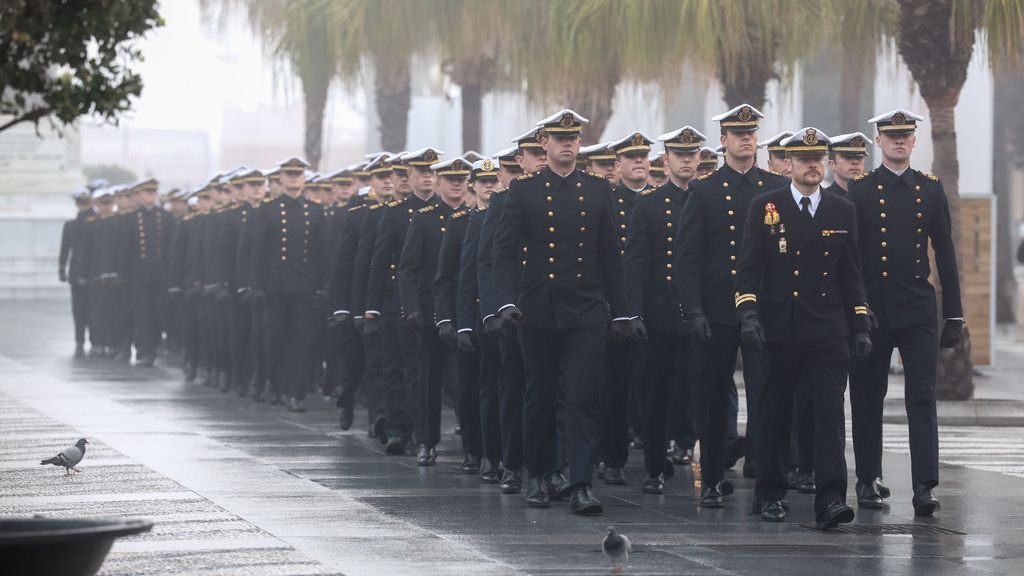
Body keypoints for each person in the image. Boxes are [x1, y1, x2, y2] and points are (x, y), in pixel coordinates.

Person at [493, 109, 630, 515]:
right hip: (537, 308)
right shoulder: (523, 191)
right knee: (540, 393)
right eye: (559, 138)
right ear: (545, 144)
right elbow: (503, 253)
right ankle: (538, 473)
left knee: (581, 395)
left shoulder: (598, 190)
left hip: (587, 308)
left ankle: (581, 483)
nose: (568, 143)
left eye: (573, 138)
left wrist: (620, 312)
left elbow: (611, 257)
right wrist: (505, 302)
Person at [734, 127, 870, 530]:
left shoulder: (841, 210)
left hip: (828, 328)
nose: (812, 165)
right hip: (779, 329)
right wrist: (749, 315)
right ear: (788, 164)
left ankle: (830, 500)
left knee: (829, 413)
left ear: (827, 164)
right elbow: (748, 270)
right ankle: (771, 492)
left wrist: (860, 323)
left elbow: (852, 274)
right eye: (803, 159)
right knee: (776, 413)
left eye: (818, 158)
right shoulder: (765, 206)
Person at [846, 109, 963, 516]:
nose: (898, 141)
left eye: (906, 136)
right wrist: (853, 310)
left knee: (922, 397)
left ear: (914, 141)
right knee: (866, 396)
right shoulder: (859, 190)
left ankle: (924, 486)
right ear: (877, 141)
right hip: (873, 309)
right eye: (891, 135)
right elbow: (849, 259)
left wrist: (955, 315)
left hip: (916, 307)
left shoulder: (930, 190)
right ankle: (867, 478)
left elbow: (946, 255)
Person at [674, 104, 789, 508]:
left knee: (767, 397)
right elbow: (686, 257)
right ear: (722, 140)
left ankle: (769, 486)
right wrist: (694, 311)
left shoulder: (775, 188)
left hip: (764, 311)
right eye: (737, 132)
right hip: (718, 309)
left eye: (751, 132)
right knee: (711, 397)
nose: (746, 138)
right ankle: (711, 480)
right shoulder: (704, 191)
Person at [625, 125, 706, 494]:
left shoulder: (708, 198)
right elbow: (637, 262)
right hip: (660, 312)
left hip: (701, 312)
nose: (686, 161)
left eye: (692, 155)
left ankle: (703, 459)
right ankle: (655, 467)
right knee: (655, 394)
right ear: (667, 160)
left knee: (700, 390)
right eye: (679, 155)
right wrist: (635, 312)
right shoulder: (650, 203)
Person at [478, 129, 549, 496]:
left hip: (550, 309)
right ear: (519, 160)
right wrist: (495, 310)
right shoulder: (503, 201)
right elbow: (490, 261)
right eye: (533, 153)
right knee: (514, 388)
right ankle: (512, 463)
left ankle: (553, 465)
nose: (541, 158)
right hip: (514, 310)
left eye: (543, 151)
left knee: (553, 391)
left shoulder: (569, 196)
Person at [365, 149, 441, 454]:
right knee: (397, 368)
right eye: (420, 171)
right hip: (398, 300)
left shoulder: (443, 210)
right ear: (408, 176)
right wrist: (370, 308)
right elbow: (379, 262)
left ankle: (424, 432)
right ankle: (398, 428)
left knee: (424, 374)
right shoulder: (394, 213)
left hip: (434, 300)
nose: (426, 177)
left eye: (430, 172)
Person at [398, 157, 469, 466]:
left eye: (461, 179)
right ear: (439, 183)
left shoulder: (474, 217)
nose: (456, 184)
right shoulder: (424, 218)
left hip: (463, 311)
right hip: (429, 313)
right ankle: (427, 440)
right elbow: (408, 269)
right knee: (429, 381)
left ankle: (472, 442)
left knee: (464, 383)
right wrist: (411, 307)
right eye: (450, 179)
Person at [598, 131, 656, 486]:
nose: (639, 162)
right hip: (614, 310)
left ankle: (654, 461)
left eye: (644, 157)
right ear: (617, 165)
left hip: (653, 309)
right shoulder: (607, 202)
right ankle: (613, 456)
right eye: (631, 157)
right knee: (613, 388)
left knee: (651, 388)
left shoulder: (659, 201)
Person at [250, 157, 327, 413]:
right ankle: (274, 384)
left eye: (298, 173)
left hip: (304, 286)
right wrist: (257, 284)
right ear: (280, 178)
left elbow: (320, 251)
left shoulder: (315, 210)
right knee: (275, 339)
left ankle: (296, 393)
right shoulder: (268, 209)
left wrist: (322, 285)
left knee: (301, 342)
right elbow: (258, 250)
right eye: (290, 174)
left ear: (304, 178)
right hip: (276, 286)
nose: (295, 178)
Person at [454, 158, 503, 483]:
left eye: (492, 180)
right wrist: (464, 323)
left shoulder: (513, 214)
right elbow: (465, 277)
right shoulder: (471, 221)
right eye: (482, 181)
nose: (488, 186)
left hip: (516, 314)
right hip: (486, 317)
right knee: (485, 389)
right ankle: (487, 453)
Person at [60, 189, 97, 358]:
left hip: (89, 270)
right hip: (80, 270)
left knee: (89, 307)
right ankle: (83, 338)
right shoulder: (72, 225)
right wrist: (61, 267)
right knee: (80, 307)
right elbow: (65, 249)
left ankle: (89, 338)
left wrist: (62, 268)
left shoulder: (94, 223)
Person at [824, 132, 870, 198]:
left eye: (859, 157)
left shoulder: (873, 197)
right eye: (847, 157)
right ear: (832, 164)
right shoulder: (823, 200)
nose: (855, 162)